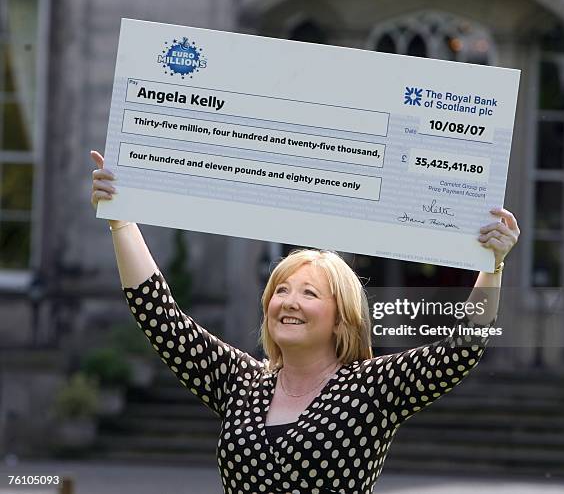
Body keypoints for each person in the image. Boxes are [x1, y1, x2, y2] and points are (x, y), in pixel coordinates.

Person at [90, 150, 520, 494]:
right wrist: (121, 220)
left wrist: (492, 267)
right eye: (280, 290)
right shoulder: (242, 382)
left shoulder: (372, 388)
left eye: (309, 293)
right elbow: (159, 317)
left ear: (341, 320)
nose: (288, 302)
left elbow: (460, 350)